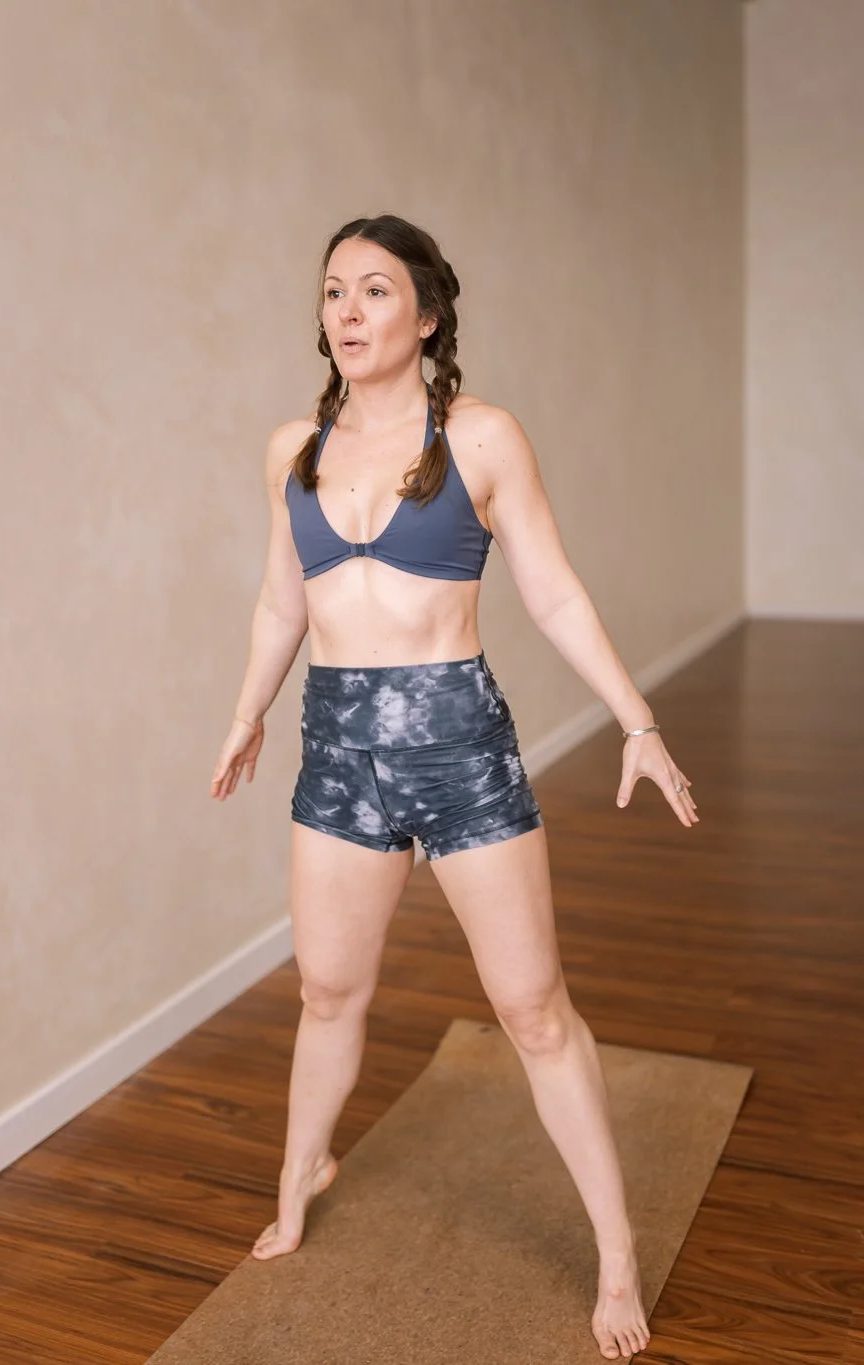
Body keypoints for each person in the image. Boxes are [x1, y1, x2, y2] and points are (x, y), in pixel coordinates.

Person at [210, 213, 697, 1362]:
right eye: (334, 291)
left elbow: (555, 593)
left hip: (456, 742)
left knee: (532, 1007)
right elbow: (283, 603)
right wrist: (246, 717)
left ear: (425, 315)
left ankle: (616, 1254)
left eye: (375, 291)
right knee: (328, 993)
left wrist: (638, 721)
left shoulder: (479, 437)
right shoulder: (293, 448)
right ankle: (294, 1188)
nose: (348, 311)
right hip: (338, 750)